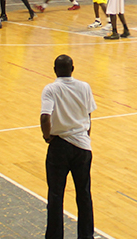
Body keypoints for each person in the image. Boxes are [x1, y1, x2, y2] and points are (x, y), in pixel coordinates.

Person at [41, 55, 96, 239]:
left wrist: (47, 136)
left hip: (59, 145)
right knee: (84, 194)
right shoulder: (84, 87)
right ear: (73, 68)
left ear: (54, 69)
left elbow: (45, 117)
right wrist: (85, 137)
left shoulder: (51, 89)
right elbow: (89, 116)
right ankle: (86, 236)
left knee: (56, 195)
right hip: (82, 146)